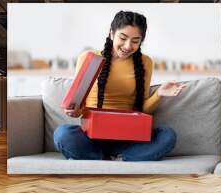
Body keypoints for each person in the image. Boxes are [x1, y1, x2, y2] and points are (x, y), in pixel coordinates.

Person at [54, 10, 184, 161]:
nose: (128, 46)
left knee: (167, 135)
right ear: (111, 33)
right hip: (92, 136)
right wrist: (74, 111)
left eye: (135, 41)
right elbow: (78, 107)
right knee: (62, 134)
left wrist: (159, 94)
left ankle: (114, 157)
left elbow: (141, 109)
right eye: (123, 38)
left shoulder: (145, 62)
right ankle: (112, 158)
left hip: (128, 138)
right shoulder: (89, 58)